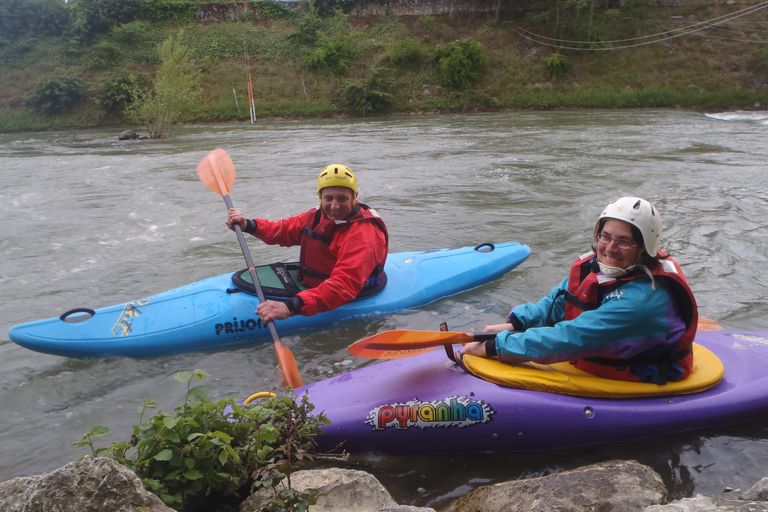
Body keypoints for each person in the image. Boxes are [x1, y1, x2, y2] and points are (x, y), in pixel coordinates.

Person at [462, 196, 698, 384]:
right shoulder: (598, 266)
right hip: (593, 354)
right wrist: (517, 324)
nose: (610, 248)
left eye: (624, 241)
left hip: (642, 373)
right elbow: (560, 300)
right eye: (605, 236)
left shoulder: (644, 302)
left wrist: (497, 347)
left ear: (645, 248)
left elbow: (572, 337)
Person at [226, 163, 388, 323]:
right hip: (316, 285)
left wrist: (291, 307)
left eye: (342, 198)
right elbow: (283, 230)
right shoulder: (317, 215)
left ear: (354, 198)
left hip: (350, 293)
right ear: (320, 197)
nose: (334, 206)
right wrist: (247, 225)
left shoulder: (363, 234)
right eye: (328, 198)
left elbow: (343, 286)